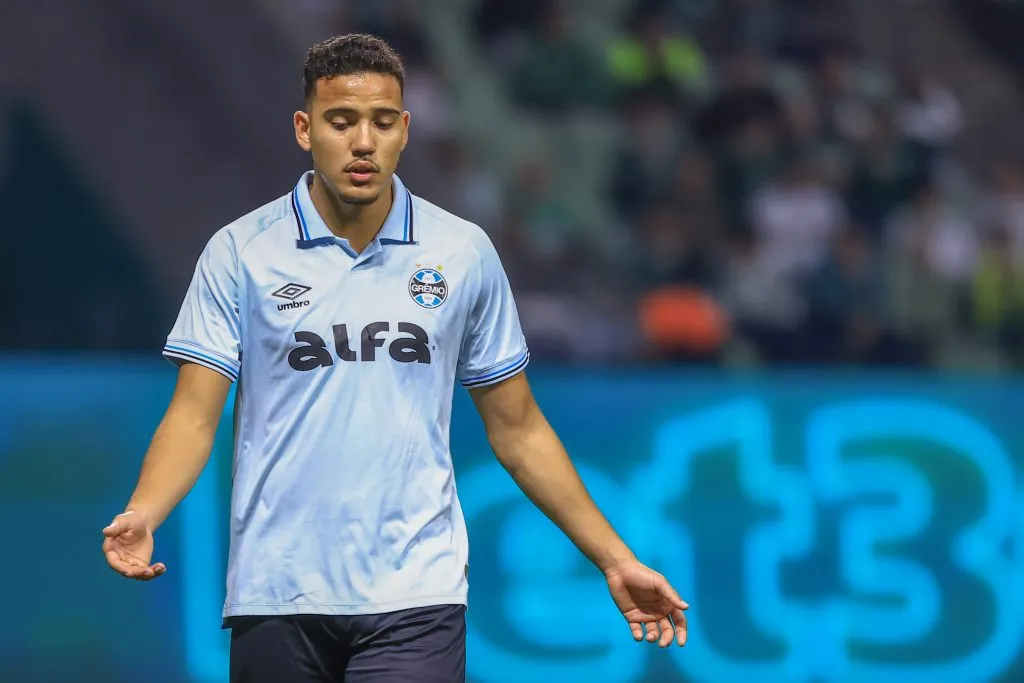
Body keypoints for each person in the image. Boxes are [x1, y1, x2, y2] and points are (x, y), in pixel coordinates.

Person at [100, 33, 689, 682]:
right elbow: (193, 416)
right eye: (341, 121)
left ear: (405, 130)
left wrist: (613, 557)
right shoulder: (241, 252)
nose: (362, 142)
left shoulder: (461, 251)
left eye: (382, 122)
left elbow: (518, 429)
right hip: (276, 591)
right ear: (304, 129)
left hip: (417, 593)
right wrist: (146, 509)